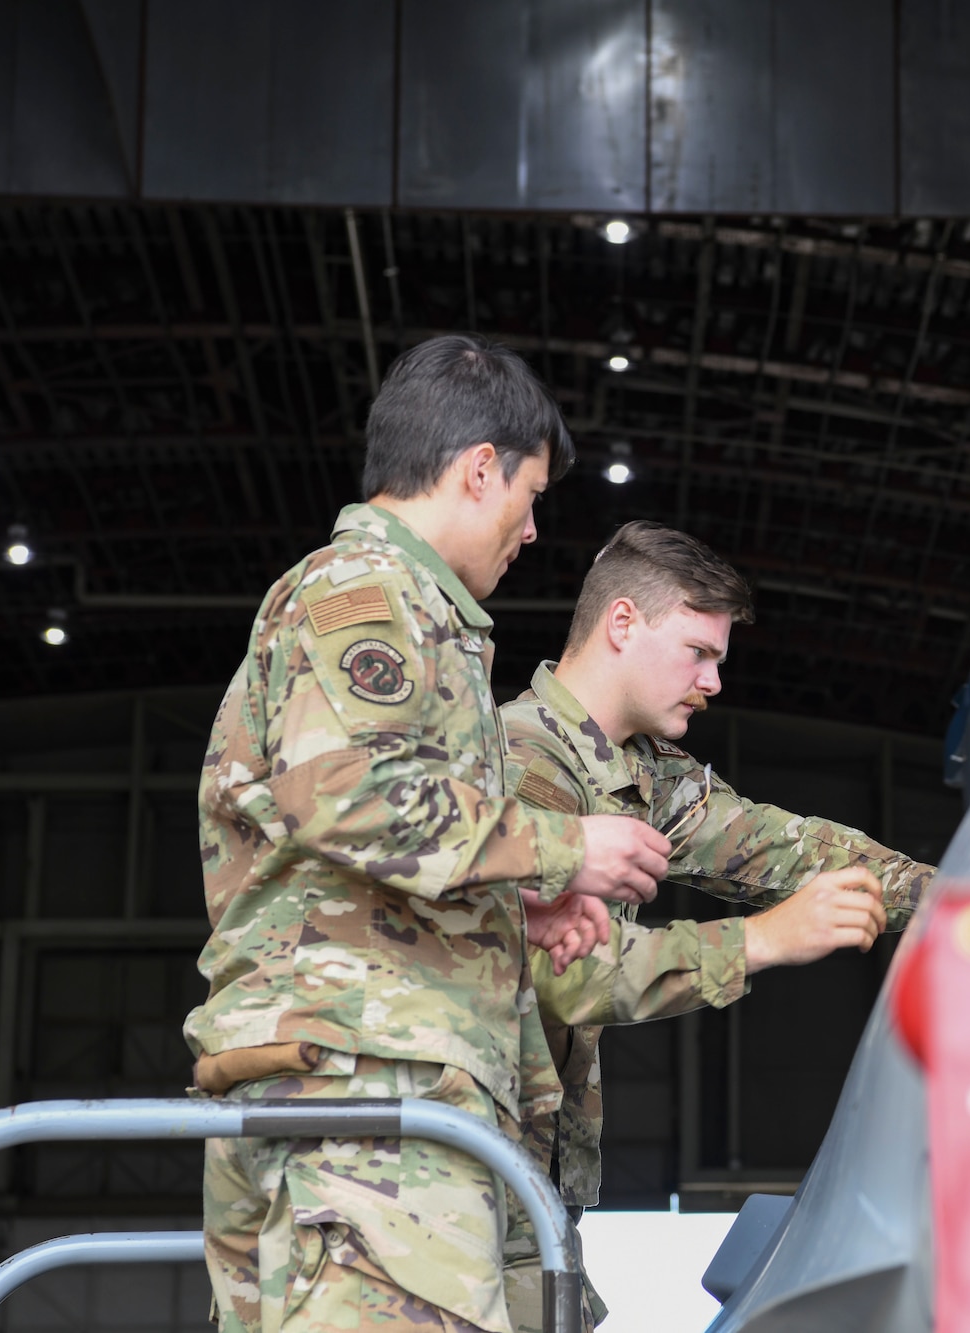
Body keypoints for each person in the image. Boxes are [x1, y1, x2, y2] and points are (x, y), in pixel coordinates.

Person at [186, 335, 672, 1333]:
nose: (532, 530)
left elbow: (346, 845)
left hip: (368, 1087)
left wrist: (505, 898)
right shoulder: (361, 596)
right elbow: (354, 795)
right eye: (527, 497)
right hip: (369, 1099)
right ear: (476, 468)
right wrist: (564, 847)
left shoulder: (406, 614)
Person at [495, 521, 938, 1329]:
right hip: (472, 1191)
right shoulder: (526, 766)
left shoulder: (642, 774)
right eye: (699, 652)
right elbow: (560, 976)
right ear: (622, 622)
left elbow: (788, 847)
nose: (713, 681)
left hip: (532, 1196)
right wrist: (765, 939)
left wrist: (958, 899)